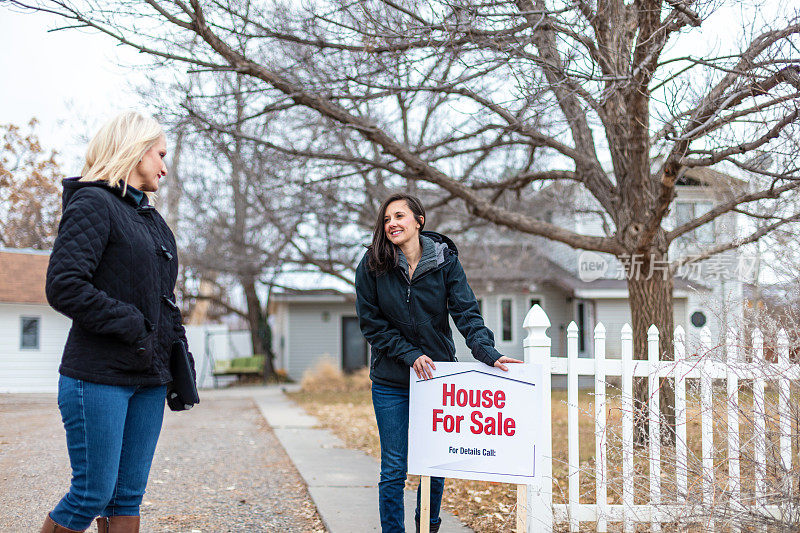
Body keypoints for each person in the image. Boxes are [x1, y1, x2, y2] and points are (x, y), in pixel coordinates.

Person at [41, 111, 194, 533]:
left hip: (149, 377)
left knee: (128, 496)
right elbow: (64, 286)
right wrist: (131, 323)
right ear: (134, 149)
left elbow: (163, 301)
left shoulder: (153, 221)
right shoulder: (93, 203)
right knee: (92, 491)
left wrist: (176, 357)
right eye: (160, 154)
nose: (165, 166)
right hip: (98, 377)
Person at [355, 193, 522, 533]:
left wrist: (487, 352)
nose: (392, 224)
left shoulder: (445, 262)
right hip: (391, 381)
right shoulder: (372, 265)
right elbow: (371, 324)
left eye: (399, 216)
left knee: (434, 463)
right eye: (386, 219)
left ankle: (426, 529)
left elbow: (466, 312)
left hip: (437, 381)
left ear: (419, 220)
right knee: (394, 468)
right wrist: (410, 354)